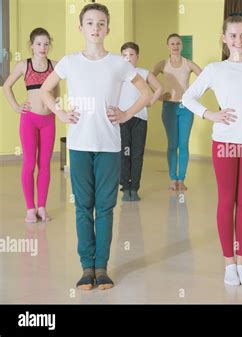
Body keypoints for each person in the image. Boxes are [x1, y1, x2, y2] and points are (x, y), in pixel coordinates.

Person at [41, 3, 152, 290]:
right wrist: (60, 111)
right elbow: (44, 89)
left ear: (108, 29)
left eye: (101, 23)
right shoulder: (68, 62)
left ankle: (101, 267)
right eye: (90, 23)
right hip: (79, 145)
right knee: (83, 207)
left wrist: (127, 114)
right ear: (81, 28)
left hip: (109, 146)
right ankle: (85, 266)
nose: (95, 28)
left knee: (105, 208)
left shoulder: (119, 63)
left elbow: (146, 91)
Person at [182, 15, 242, 286]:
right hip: (224, 143)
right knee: (226, 200)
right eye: (234, 35)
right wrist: (209, 114)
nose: (239, 40)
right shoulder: (214, 69)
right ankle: (228, 263)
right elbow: (187, 97)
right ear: (224, 39)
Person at [2, 28, 58, 223]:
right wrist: (17, 106)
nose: (43, 47)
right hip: (29, 120)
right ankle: (29, 208)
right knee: (28, 163)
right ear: (31, 46)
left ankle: (42, 207)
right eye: (39, 44)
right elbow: (6, 86)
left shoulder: (55, 66)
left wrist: (57, 106)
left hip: (48, 121)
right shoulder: (23, 65)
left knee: (45, 164)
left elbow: (56, 91)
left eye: (46, 44)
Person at [152, 34, 202, 191]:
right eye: (172, 43)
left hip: (185, 107)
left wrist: (193, 95)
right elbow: (147, 80)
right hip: (169, 107)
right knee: (172, 144)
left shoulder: (188, 64)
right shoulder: (163, 64)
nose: (175, 46)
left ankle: (181, 179)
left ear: (182, 46)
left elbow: (205, 78)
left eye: (178, 43)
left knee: (183, 143)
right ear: (168, 46)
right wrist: (159, 96)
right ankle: (173, 179)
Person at [119, 42, 163, 201]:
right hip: (122, 119)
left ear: (137, 57)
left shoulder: (143, 73)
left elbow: (159, 88)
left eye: (131, 55)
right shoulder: (118, 74)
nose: (128, 58)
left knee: (137, 154)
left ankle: (134, 188)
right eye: (125, 55)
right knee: (125, 153)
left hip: (140, 119)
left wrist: (150, 102)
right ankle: (125, 187)